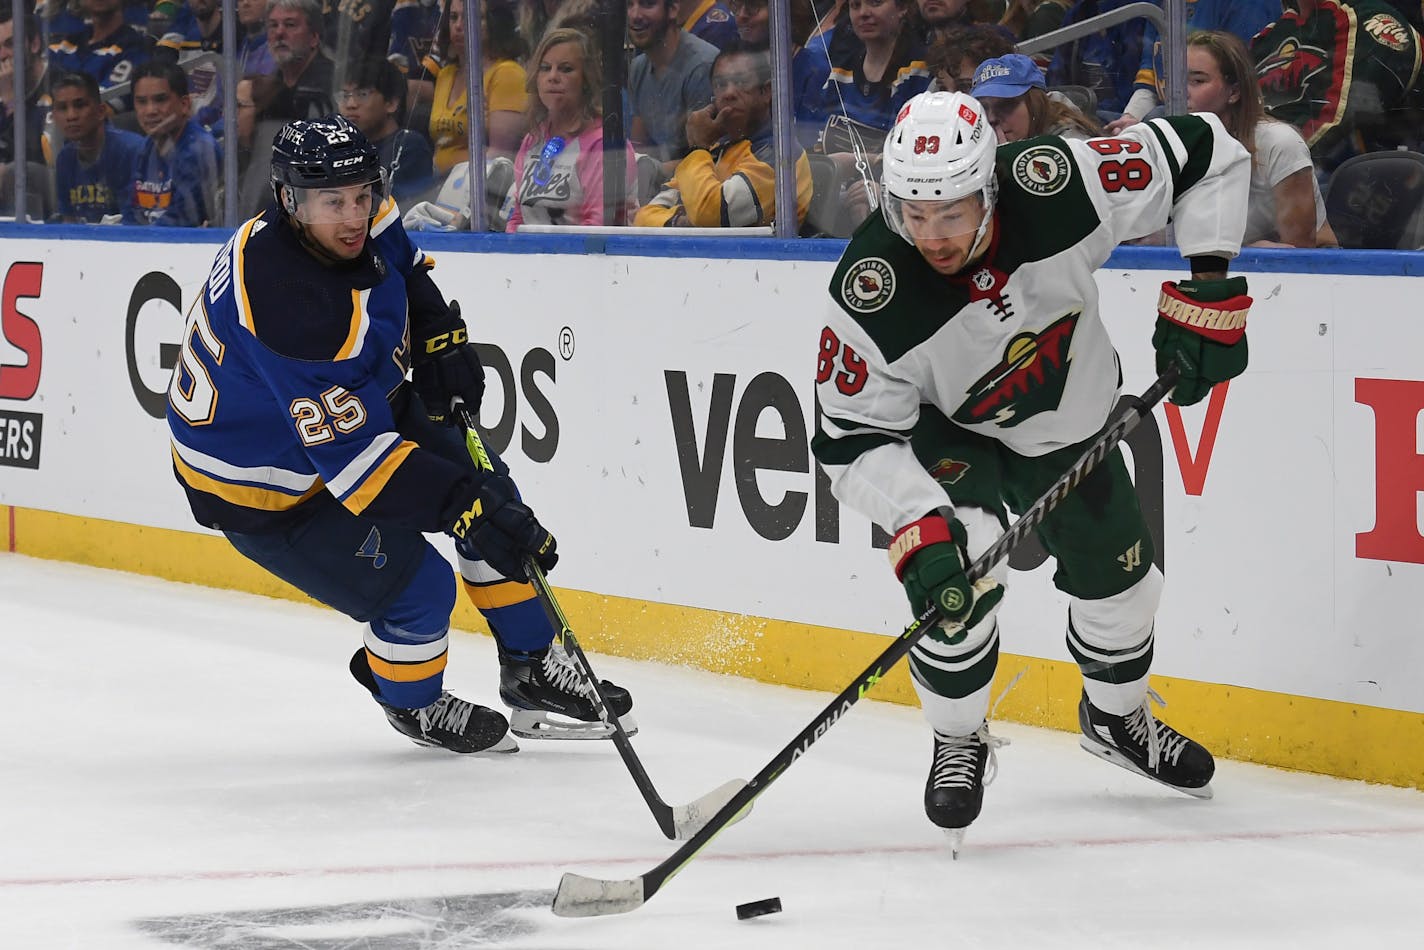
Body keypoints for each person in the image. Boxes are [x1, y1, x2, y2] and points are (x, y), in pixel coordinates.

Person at [811, 91, 1252, 844]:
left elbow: (1207, 152)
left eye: (951, 213)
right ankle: (958, 737)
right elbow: (849, 441)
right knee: (960, 583)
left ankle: (1116, 723)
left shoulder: (1059, 182)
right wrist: (920, 523)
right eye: (914, 214)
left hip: (1068, 423)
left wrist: (1207, 281)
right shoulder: (871, 292)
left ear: (990, 187)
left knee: (1127, 587)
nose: (932, 237)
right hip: (947, 431)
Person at [165, 115, 636, 754]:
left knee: (493, 498)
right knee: (421, 587)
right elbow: (360, 466)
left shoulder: (344, 214)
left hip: (349, 409)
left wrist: (439, 330)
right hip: (264, 487)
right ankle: (411, 702)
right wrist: (457, 505)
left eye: (362, 194)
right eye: (334, 203)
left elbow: (403, 264)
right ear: (288, 200)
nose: (355, 214)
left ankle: (530, 670)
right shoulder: (292, 314)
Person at [635, 45, 812, 229]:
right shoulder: (714, 151)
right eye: (720, 85)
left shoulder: (780, 154)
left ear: (766, 92)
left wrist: (698, 148)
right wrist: (682, 222)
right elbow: (645, 217)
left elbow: (711, 216)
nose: (728, 93)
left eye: (741, 83)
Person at [1186, 30, 1334, 248]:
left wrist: (1249, 256)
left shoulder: (1280, 144)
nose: (1181, 92)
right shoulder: (1164, 141)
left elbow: (1301, 251)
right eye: (1172, 81)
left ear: (1234, 92)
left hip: (1308, 273)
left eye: (1197, 81)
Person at [506, 28, 638, 229]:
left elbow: (597, 229)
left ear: (586, 80)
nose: (552, 77)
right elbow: (518, 217)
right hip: (531, 256)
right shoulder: (533, 138)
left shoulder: (604, 144)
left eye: (565, 69)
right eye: (545, 68)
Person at [426, 0, 527, 174]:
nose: (459, 26)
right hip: (438, 185)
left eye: (471, 18)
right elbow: (441, 147)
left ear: (495, 23)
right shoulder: (446, 74)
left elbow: (502, 156)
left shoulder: (508, 74)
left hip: (480, 186)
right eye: (453, 17)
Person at [122, 60, 223, 226]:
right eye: (141, 102)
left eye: (160, 100)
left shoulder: (199, 149)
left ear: (184, 104)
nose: (150, 111)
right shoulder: (145, 146)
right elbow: (130, 212)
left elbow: (181, 221)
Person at [628, 0, 719, 169]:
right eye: (629, 5)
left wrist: (651, 171)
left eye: (647, 4)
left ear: (673, 9)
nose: (635, 15)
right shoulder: (638, 68)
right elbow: (638, 145)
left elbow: (711, 158)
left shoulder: (702, 67)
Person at [52, 70, 145, 222]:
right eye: (62, 108)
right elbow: (68, 222)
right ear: (54, 116)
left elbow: (138, 223)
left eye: (80, 105)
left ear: (101, 111)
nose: (71, 116)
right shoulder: (65, 158)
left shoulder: (132, 150)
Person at [339, 57, 436, 203]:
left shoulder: (409, 146)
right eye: (345, 96)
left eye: (362, 94)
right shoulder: (340, 147)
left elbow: (405, 208)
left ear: (391, 103)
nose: (350, 104)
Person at [969, 52, 1101, 143]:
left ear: (1035, 103)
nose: (991, 118)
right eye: (984, 108)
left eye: (1006, 105)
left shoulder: (1071, 143)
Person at [254, 0, 336, 123]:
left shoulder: (332, 86)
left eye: (290, 25)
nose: (279, 33)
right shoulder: (268, 88)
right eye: (273, 25)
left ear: (314, 37)